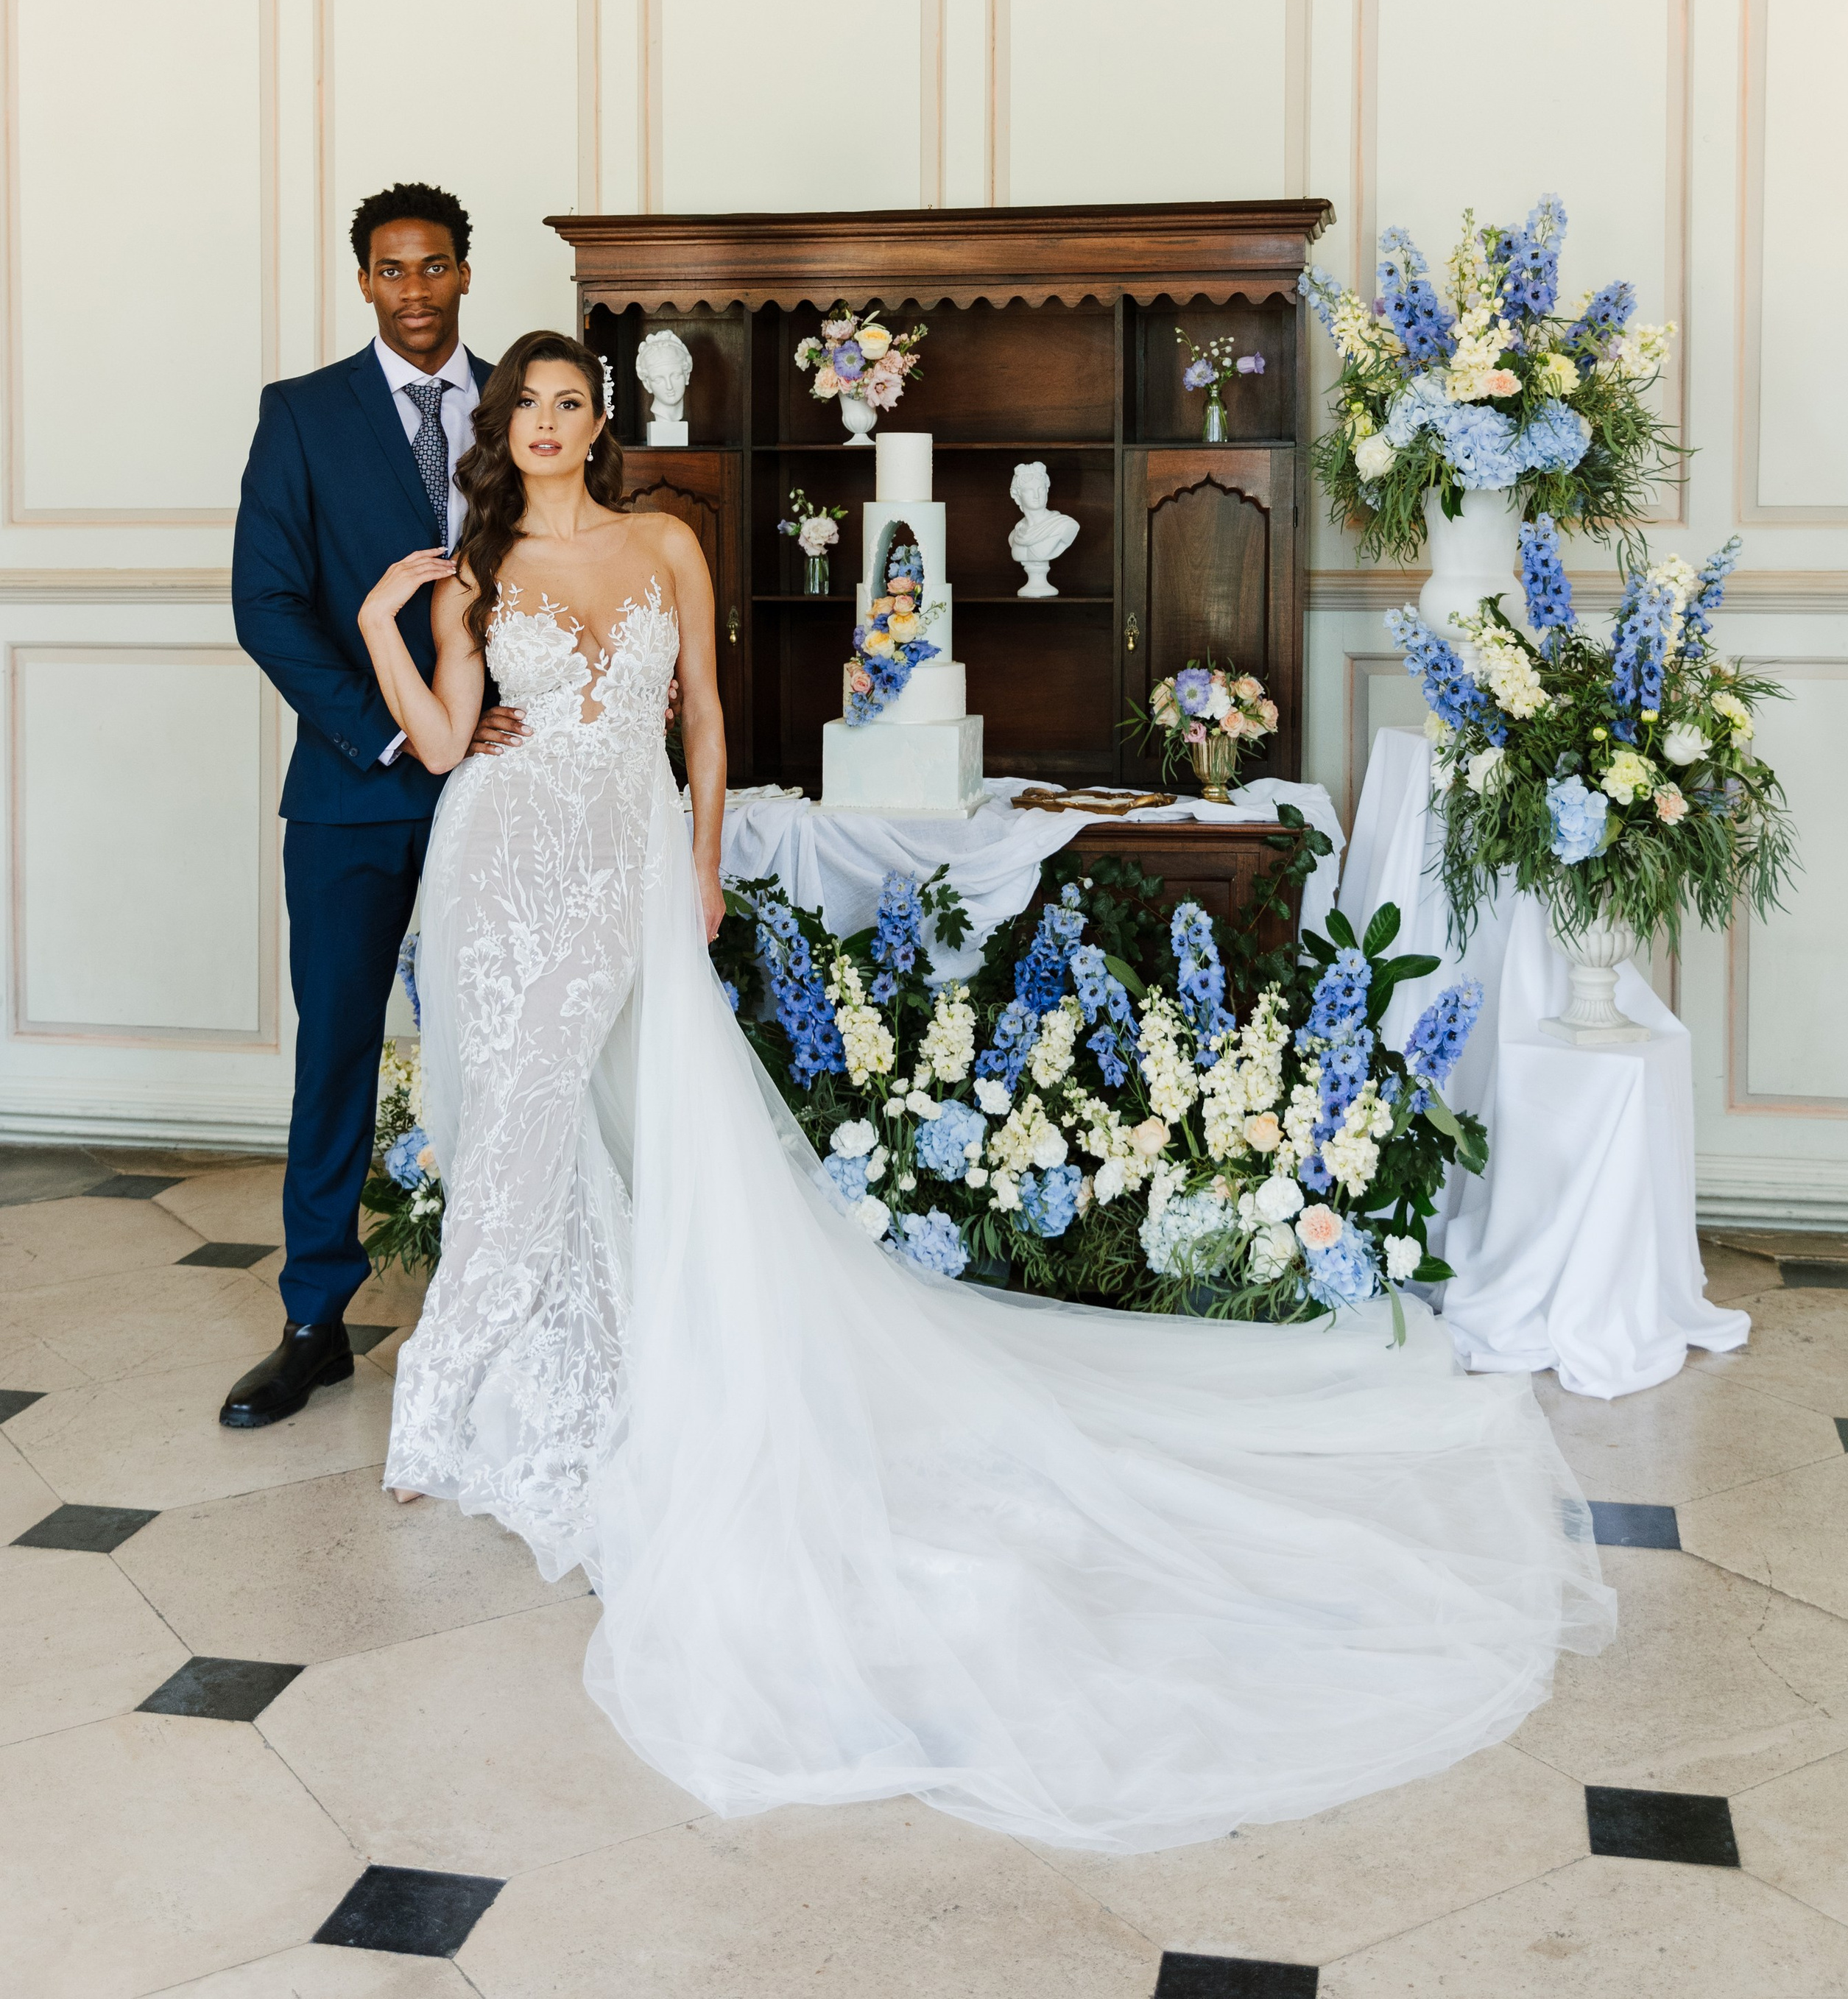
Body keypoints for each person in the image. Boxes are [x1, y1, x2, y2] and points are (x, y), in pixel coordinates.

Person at [357, 328, 1614, 1854]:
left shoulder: (664, 539)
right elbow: (440, 742)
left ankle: (457, 1384)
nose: (546, 423)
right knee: (517, 1119)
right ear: (500, 428)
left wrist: (695, 865)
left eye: (569, 402)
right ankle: (473, 1384)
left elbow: (699, 725)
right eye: (525, 407)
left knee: (559, 1098)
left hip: (613, 869)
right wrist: (382, 618)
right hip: (495, 859)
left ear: (599, 419)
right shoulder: (474, 564)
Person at [225, 185, 512, 1429]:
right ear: (363, 281)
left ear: (463, 271)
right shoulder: (299, 416)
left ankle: (504, 1306)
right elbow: (266, 602)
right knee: (337, 1048)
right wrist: (390, 726)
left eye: (434, 265)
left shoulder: (526, 405)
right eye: (390, 269)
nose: (414, 289)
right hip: (350, 787)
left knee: (506, 1051)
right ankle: (312, 1322)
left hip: (505, 785)